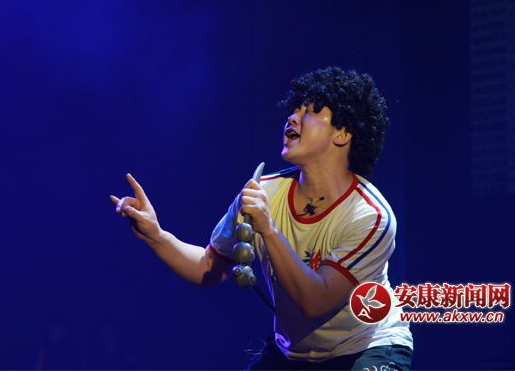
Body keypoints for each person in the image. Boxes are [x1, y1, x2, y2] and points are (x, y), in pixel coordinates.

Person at [111, 66, 413, 370]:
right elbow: (209, 267)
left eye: (310, 111)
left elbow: (314, 303)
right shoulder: (264, 192)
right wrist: (156, 235)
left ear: (342, 134)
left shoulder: (370, 216)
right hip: (293, 354)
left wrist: (268, 229)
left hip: (366, 349)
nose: (292, 118)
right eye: (294, 109)